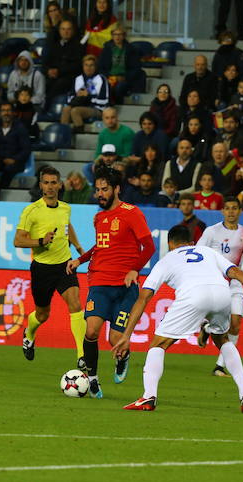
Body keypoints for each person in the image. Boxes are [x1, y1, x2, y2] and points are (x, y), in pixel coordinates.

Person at [111, 224, 243, 412]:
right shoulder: (206, 251)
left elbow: (143, 298)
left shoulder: (166, 260)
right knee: (223, 340)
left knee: (158, 344)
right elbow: (236, 272)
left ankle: (148, 397)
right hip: (222, 294)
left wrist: (126, 335)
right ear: (192, 243)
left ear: (170, 244)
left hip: (193, 296)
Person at [66, 168, 156, 399]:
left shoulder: (132, 213)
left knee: (115, 340)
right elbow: (101, 247)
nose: (99, 194)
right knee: (92, 330)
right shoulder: (99, 217)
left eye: (104, 189)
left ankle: (123, 356)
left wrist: (135, 269)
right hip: (99, 283)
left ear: (117, 189)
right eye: (97, 190)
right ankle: (93, 379)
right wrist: (80, 259)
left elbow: (149, 247)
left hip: (125, 289)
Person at [14, 166, 86, 362]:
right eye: (46, 183)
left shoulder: (65, 208)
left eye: (54, 182)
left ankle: (82, 355)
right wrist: (40, 242)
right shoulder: (32, 211)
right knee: (42, 315)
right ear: (40, 185)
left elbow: (66, 226)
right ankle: (29, 333)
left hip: (64, 264)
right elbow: (18, 240)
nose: (50, 186)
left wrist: (79, 248)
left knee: (76, 304)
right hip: (42, 268)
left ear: (60, 185)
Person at [195, 197, 243, 376]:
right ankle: (207, 328)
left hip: (235, 283)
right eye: (228, 209)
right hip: (216, 283)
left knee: (236, 324)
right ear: (222, 211)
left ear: (240, 211)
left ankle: (219, 366)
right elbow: (199, 253)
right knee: (220, 321)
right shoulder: (211, 231)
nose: (231, 212)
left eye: (234, 208)